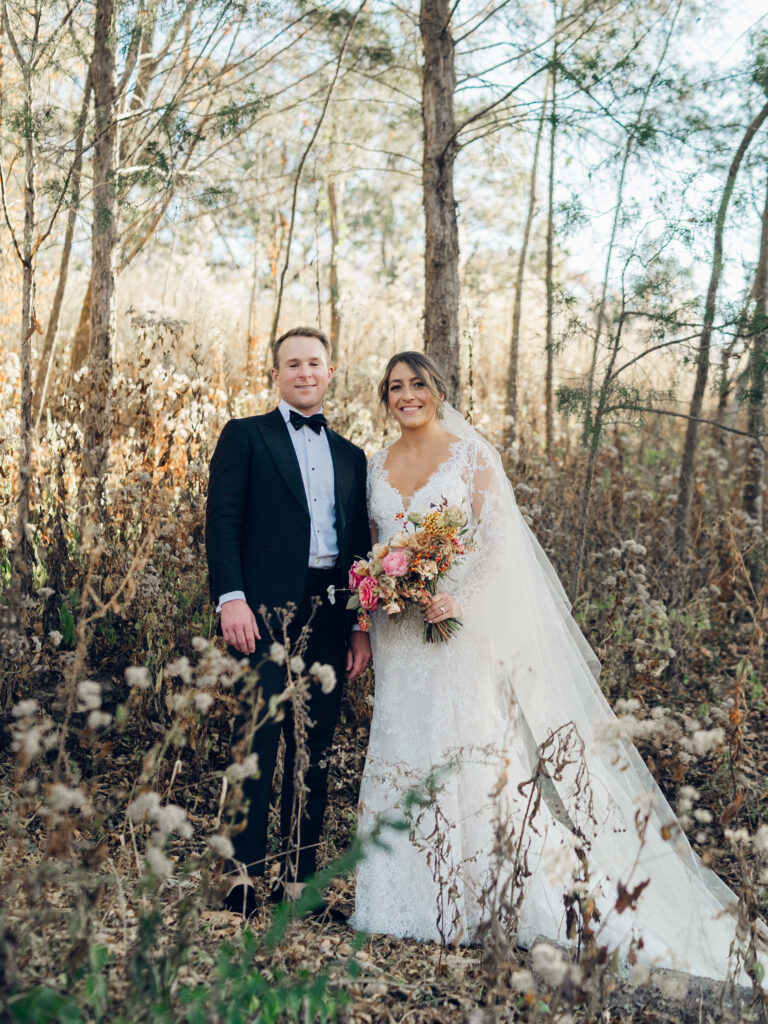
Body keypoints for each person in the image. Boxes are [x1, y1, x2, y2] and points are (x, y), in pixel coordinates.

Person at [351, 350, 765, 984]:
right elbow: (370, 547)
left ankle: (491, 899)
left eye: (418, 384)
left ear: (438, 390)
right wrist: (378, 591)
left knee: (470, 749)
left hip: (456, 630)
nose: (406, 395)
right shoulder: (374, 465)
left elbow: (499, 547)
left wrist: (457, 597)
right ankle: (401, 900)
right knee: (405, 743)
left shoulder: (472, 457)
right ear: (386, 397)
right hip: (399, 636)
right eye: (395, 387)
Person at [206, 325, 371, 916]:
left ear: (331, 372)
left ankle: (300, 884)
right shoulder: (246, 436)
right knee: (257, 743)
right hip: (263, 610)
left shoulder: (353, 456)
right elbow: (222, 522)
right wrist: (231, 598)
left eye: (315, 364)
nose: (305, 373)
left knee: (314, 751)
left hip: (329, 610)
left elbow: (357, 547)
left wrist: (360, 626)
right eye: (293, 364)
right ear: (276, 374)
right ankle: (243, 878)